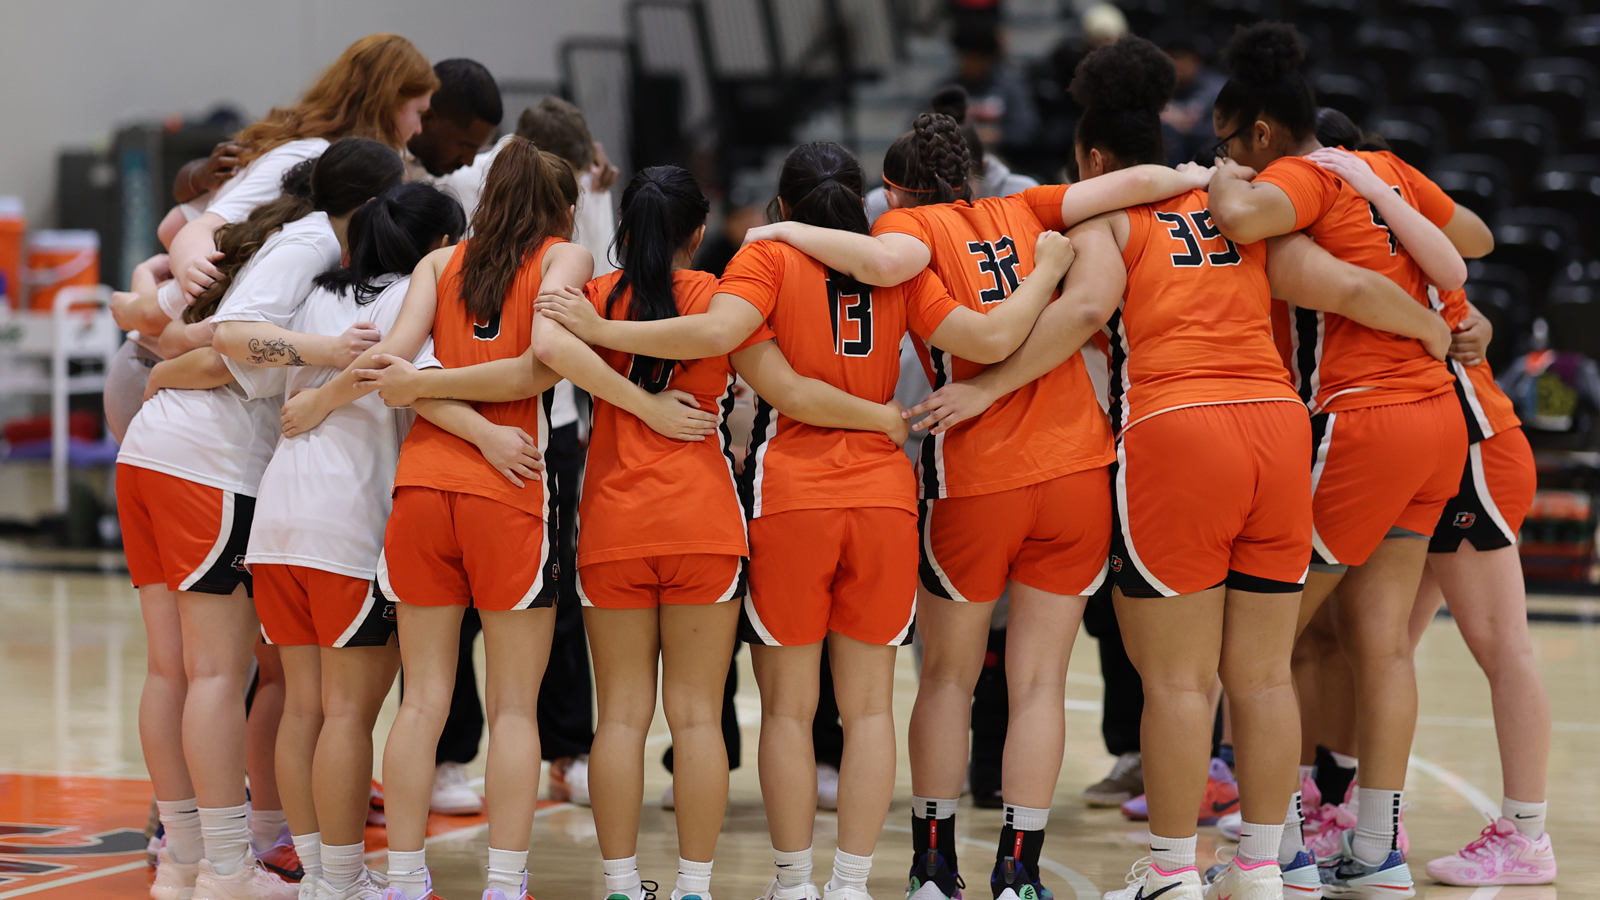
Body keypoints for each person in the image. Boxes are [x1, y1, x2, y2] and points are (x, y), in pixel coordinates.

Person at [905, 35, 1452, 900]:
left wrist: (987, 389)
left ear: (1094, 157)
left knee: (1178, 680)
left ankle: (1171, 873)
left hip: (1177, 430)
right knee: (1265, 675)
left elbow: (1082, 310)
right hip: (1277, 430)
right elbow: (1347, 286)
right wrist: (1438, 331)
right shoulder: (1243, 202)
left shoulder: (1106, 218)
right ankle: (1267, 867)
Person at [536, 140, 1078, 900]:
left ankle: (791, 883)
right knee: (867, 710)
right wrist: (1045, 277)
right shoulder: (898, 261)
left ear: (782, 209)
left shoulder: (759, 266)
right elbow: (986, 339)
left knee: (785, 712)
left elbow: (776, 383)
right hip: (882, 500)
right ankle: (851, 884)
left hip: (785, 500)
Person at [735, 113, 1208, 900]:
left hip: (977, 471)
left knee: (949, 681)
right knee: (1040, 683)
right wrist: (1197, 176)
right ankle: (1018, 870)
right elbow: (1138, 182)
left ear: (893, 190)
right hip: (1078, 468)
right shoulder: (1030, 209)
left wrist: (770, 238)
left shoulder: (908, 229)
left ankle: (932, 867)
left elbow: (887, 265)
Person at [1205, 22, 1471, 897]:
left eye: (1227, 142)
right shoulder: (1385, 168)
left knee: (1261, 645)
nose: (1226, 160)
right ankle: (1378, 849)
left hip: (1366, 419)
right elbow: (1470, 235)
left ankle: (1274, 849)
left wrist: (1215, 177)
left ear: (1263, 133)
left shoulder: (1296, 176)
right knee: (1380, 642)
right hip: (1439, 422)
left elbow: (1244, 218)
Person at [121, 137, 399, 900]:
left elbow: (168, 329)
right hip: (206, 463)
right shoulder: (310, 241)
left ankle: (183, 860)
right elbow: (232, 341)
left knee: (174, 669)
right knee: (215, 671)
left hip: (155, 455)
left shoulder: (283, 238)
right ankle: (225, 867)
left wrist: (166, 375)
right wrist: (328, 349)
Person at [1285, 148, 1556, 885]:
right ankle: (1366, 811)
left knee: (1500, 645)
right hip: (1439, 441)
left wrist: (1378, 188)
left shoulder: (1376, 212)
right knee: (1380, 641)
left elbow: (1470, 253)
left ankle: (1526, 832)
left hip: (1474, 447)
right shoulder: (1380, 231)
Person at [161, 34, 436, 320]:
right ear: (388, 102)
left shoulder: (332, 156)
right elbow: (195, 225)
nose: (418, 128)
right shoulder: (309, 153)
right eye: (419, 112)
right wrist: (192, 270)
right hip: (173, 340)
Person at [864, 86, 1039, 224]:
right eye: (926, 193)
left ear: (983, 169)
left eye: (956, 187)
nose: (944, 201)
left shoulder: (1022, 195)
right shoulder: (878, 205)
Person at [948, 17, 1039, 151]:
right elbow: (921, 125)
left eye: (977, 58)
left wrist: (999, 135)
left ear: (989, 59)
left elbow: (1028, 128)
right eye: (967, 57)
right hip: (954, 160)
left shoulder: (1010, 87)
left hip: (1003, 158)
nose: (972, 64)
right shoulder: (947, 89)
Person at [408, 59, 503, 181]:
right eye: (466, 146)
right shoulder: (380, 175)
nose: (469, 162)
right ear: (427, 118)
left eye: (477, 149)